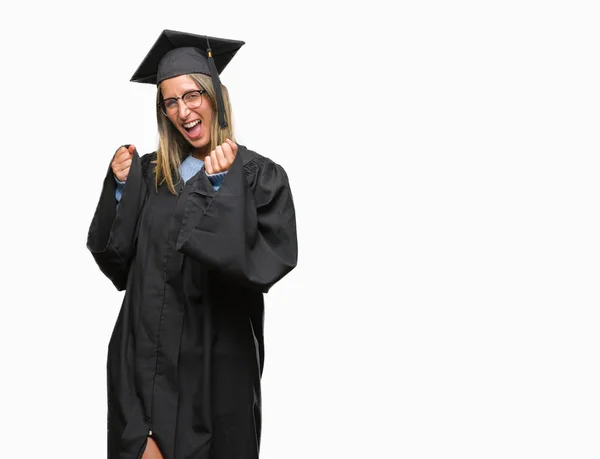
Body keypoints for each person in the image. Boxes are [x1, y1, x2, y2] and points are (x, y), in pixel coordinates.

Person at [86, 29, 298, 459]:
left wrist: (218, 188)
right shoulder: (150, 174)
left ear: (215, 96)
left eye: (192, 95)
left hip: (218, 378)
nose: (183, 111)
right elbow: (120, 266)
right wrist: (122, 190)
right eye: (171, 101)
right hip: (146, 369)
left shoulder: (258, 176)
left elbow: (262, 265)